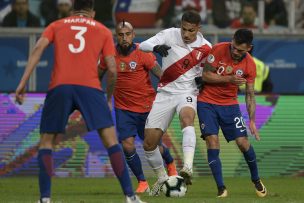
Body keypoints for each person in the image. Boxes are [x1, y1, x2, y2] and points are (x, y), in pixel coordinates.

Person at [14, 0, 145, 203]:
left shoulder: (57, 25)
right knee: (111, 140)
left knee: (47, 142)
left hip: (60, 86)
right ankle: (130, 196)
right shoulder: (102, 30)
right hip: (90, 88)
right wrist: (108, 98)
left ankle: (45, 199)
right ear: (92, 12)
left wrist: (22, 83)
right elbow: (112, 69)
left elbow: (38, 47)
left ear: (73, 9)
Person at [99, 21, 178, 194]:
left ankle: (170, 163)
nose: (124, 38)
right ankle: (142, 181)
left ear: (133, 35)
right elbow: (97, 75)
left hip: (147, 107)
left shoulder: (143, 52)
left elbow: (160, 74)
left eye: (128, 34)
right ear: (116, 36)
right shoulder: (109, 54)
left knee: (154, 144)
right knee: (127, 146)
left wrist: (174, 90)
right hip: (123, 109)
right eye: (121, 35)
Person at [139, 10, 212, 195]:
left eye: (191, 31)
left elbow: (207, 72)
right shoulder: (169, 34)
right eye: (184, 29)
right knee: (149, 143)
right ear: (180, 24)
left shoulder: (206, 47)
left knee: (187, 119)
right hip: (165, 93)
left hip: (187, 92)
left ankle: (187, 167)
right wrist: (155, 48)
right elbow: (143, 46)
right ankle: (162, 178)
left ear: (199, 29)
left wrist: (203, 79)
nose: (186, 34)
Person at [197, 28, 267, 198]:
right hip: (207, 102)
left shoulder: (250, 64)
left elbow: (250, 94)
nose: (235, 52)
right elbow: (205, 75)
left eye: (240, 50)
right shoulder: (219, 49)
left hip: (230, 105)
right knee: (212, 142)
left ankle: (256, 180)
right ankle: (221, 188)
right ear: (232, 40)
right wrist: (228, 79)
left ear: (249, 48)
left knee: (243, 142)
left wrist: (251, 120)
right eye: (234, 47)